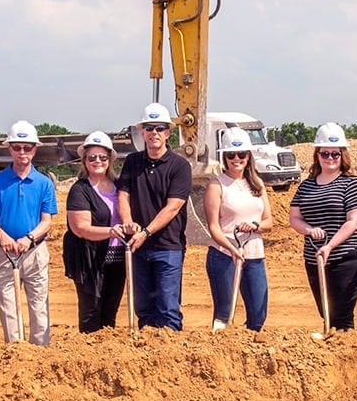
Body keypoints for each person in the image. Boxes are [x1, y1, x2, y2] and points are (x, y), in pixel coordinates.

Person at [117, 102, 192, 330]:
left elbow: (173, 206)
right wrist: (128, 223)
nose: (154, 133)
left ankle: (170, 358)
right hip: (138, 247)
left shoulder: (180, 166)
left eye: (159, 128)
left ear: (168, 132)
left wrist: (146, 232)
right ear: (142, 132)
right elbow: (123, 196)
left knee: (167, 308)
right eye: (149, 128)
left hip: (167, 247)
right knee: (144, 309)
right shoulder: (133, 162)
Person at [288, 123, 357, 330]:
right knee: (326, 312)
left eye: (335, 154)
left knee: (341, 313)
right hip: (314, 256)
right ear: (317, 155)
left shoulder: (352, 184)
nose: (330, 158)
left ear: (343, 155)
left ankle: (344, 351)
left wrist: (330, 246)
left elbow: (354, 220)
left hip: (347, 255)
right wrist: (308, 230)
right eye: (325, 153)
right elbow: (294, 217)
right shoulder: (306, 185)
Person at [0, 120, 56, 345]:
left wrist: (29, 238)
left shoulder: (44, 183)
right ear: (10, 148)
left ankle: (40, 353)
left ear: (35, 149)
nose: (22, 152)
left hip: (35, 251)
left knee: (39, 307)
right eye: (17, 147)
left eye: (27, 147)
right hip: (5, 252)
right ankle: (15, 352)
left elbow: (47, 221)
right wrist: (4, 238)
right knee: (8, 307)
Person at [203, 126, 274, 330]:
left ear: (248, 156)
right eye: (231, 154)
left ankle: (250, 349)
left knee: (259, 313)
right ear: (224, 156)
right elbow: (214, 227)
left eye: (241, 153)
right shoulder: (216, 185)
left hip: (254, 255)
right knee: (224, 314)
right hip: (224, 255)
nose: (236, 158)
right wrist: (231, 248)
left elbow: (268, 222)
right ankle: (221, 354)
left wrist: (254, 225)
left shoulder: (257, 184)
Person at [63, 131, 127, 333]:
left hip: (116, 257)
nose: (97, 161)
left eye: (102, 157)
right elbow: (80, 228)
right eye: (92, 157)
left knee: (110, 313)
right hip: (89, 259)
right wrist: (111, 231)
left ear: (110, 160)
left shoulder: (119, 187)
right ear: (84, 160)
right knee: (91, 312)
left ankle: (106, 353)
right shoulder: (80, 190)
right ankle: (89, 352)